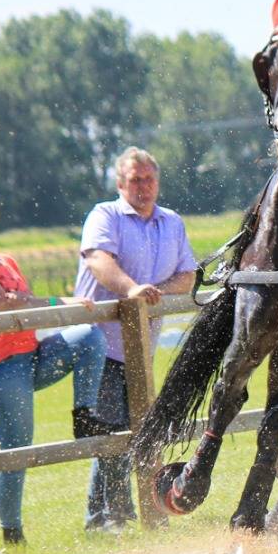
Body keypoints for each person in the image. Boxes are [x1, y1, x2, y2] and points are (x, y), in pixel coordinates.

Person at [0, 188, 108, 548]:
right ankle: (13, 537)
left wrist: (64, 302)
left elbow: (27, 304)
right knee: (17, 453)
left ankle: (84, 414)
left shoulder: (7, 261)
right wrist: (24, 302)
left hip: (31, 357)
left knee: (88, 336)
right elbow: (0, 306)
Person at [75, 148, 198, 532]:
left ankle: (127, 512)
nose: (143, 187)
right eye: (135, 180)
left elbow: (187, 276)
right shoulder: (105, 215)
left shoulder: (171, 222)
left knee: (139, 430)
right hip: (101, 345)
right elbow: (99, 261)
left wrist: (153, 292)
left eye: (149, 179)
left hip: (141, 350)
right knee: (112, 432)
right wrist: (132, 289)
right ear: (120, 184)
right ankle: (106, 516)